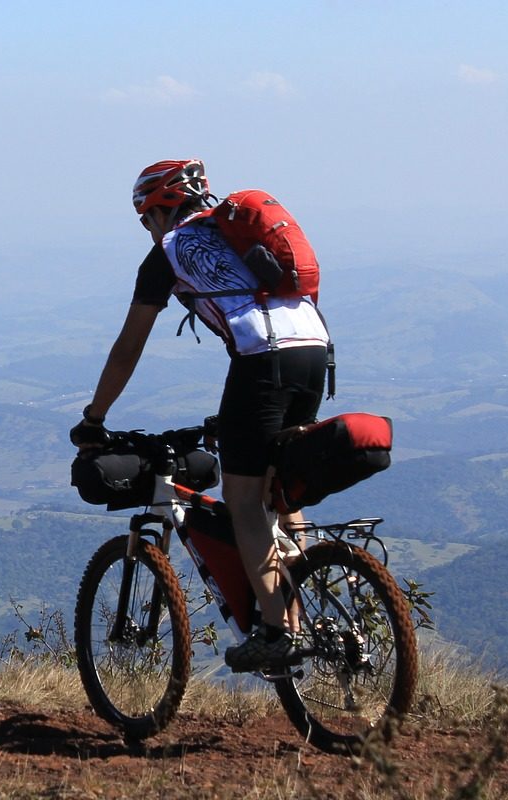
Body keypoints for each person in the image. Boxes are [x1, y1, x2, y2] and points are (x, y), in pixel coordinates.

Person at [70, 158, 331, 673]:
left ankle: (279, 631)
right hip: (317, 351)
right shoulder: (233, 234)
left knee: (243, 502)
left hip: (262, 360)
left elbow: (128, 348)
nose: (147, 231)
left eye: (145, 220)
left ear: (159, 210)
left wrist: (94, 418)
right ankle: (307, 600)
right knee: (279, 488)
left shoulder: (168, 252)